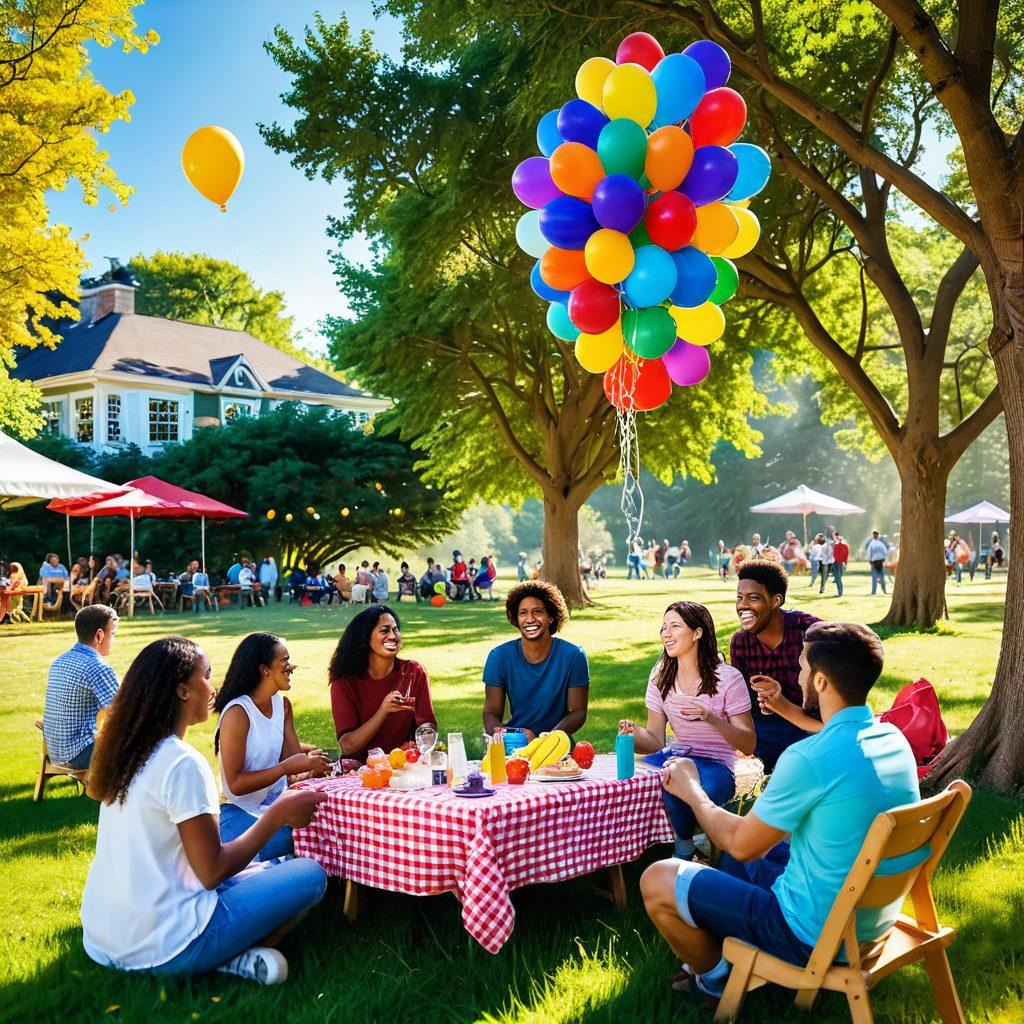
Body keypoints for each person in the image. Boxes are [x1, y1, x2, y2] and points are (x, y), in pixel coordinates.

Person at [640, 622, 920, 1000]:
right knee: (752, 849)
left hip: (809, 935)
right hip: (869, 923)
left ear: (820, 682)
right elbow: (751, 844)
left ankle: (715, 979)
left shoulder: (808, 759)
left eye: (802, 668)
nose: (798, 674)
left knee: (657, 878)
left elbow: (741, 844)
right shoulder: (892, 738)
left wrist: (692, 792)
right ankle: (725, 940)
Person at [81, 636, 327, 983]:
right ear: (183, 690)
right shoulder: (182, 764)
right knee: (310, 873)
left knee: (255, 872)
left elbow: (197, 867)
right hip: (165, 947)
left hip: (105, 939)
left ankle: (227, 954)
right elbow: (212, 871)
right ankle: (225, 958)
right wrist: (278, 814)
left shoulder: (129, 753)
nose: (213, 687)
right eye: (207, 676)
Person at [624, 602, 755, 861]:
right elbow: (654, 741)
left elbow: (749, 745)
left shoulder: (729, 679)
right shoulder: (661, 675)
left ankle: (683, 848)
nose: (666, 634)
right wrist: (632, 734)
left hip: (718, 765)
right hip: (676, 754)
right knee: (629, 782)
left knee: (678, 783)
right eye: (664, 627)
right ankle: (632, 850)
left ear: (697, 633)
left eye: (675, 626)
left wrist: (711, 718)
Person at [215, 633, 330, 861]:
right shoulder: (238, 713)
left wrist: (314, 766)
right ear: (264, 669)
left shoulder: (282, 705)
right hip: (242, 812)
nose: (292, 666)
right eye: (285, 661)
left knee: (325, 826)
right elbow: (235, 785)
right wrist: (285, 768)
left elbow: (294, 763)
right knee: (311, 838)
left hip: (278, 808)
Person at [729, 560, 821, 771]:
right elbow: (744, 704)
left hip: (815, 725)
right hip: (770, 729)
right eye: (739, 598)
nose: (743, 606)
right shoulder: (741, 643)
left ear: (776, 600)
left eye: (753, 598)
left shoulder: (808, 630)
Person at [482, 581, 589, 740]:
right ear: (516, 618)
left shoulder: (573, 656)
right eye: (523, 613)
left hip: (558, 747)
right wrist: (509, 737)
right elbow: (491, 712)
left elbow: (578, 712)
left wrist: (546, 740)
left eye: (537, 612)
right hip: (516, 746)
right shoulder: (499, 657)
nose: (530, 619)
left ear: (551, 617)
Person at [329, 605, 437, 761]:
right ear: (365, 639)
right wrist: (383, 710)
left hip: (404, 767)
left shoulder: (414, 672)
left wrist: (424, 740)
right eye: (385, 630)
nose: (393, 636)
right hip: (361, 773)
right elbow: (348, 745)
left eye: (396, 629)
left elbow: (427, 726)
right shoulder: (344, 682)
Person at [42, 605, 120, 769]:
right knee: (139, 745)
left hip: (53, 751)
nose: (114, 640)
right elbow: (123, 712)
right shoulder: (98, 667)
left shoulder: (59, 661)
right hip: (78, 753)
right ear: (99, 635)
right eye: (112, 635)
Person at [865, 530, 889, 595]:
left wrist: (883, 559)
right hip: (874, 562)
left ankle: (884, 591)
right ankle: (873, 592)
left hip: (880, 562)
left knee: (882, 579)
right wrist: (870, 560)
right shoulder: (871, 544)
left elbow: (885, 552)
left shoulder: (881, 544)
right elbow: (869, 553)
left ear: (878, 535)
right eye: (873, 535)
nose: (875, 536)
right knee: (874, 579)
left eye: (876, 535)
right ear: (872, 536)